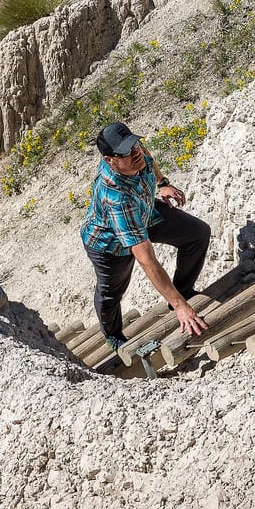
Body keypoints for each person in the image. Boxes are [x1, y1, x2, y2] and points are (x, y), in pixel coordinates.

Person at [80, 120, 211, 349]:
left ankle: (182, 292)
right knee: (111, 292)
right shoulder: (116, 197)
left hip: (145, 212)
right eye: (126, 152)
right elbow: (146, 259)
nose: (135, 152)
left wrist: (163, 183)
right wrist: (181, 307)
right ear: (109, 160)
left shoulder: (135, 154)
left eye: (134, 145)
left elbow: (147, 156)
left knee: (197, 233)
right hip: (109, 242)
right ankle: (114, 337)